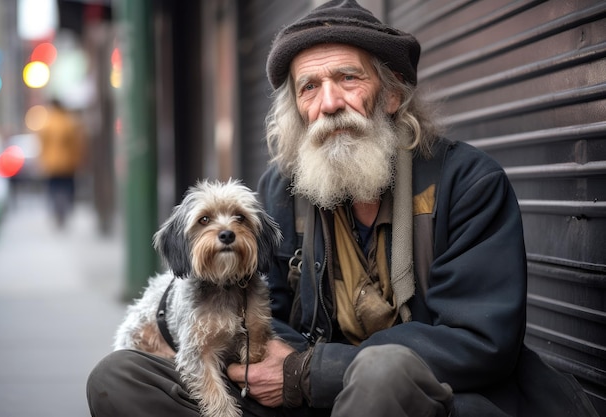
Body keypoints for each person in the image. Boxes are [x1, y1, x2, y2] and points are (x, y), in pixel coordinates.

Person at [86, 1, 599, 416]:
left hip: (433, 401)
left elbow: (479, 342)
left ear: (392, 94)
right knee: (121, 377)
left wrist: (314, 373)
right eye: (310, 87)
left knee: (384, 373)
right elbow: (267, 309)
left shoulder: (469, 184)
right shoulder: (283, 190)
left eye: (348, 79)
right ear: (298, 110)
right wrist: (280, 368)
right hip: (304, 396)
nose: (329, 102)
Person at [38, 98, 86, 228]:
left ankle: (56, 210)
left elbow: (42, 145)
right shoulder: (68, 123)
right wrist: (77, 160)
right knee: (67, 187)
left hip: (51, 164)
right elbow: (76, 145)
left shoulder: (47, 124)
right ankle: (65, 209)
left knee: (53, 188)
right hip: (67, 163)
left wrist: (42, 161)